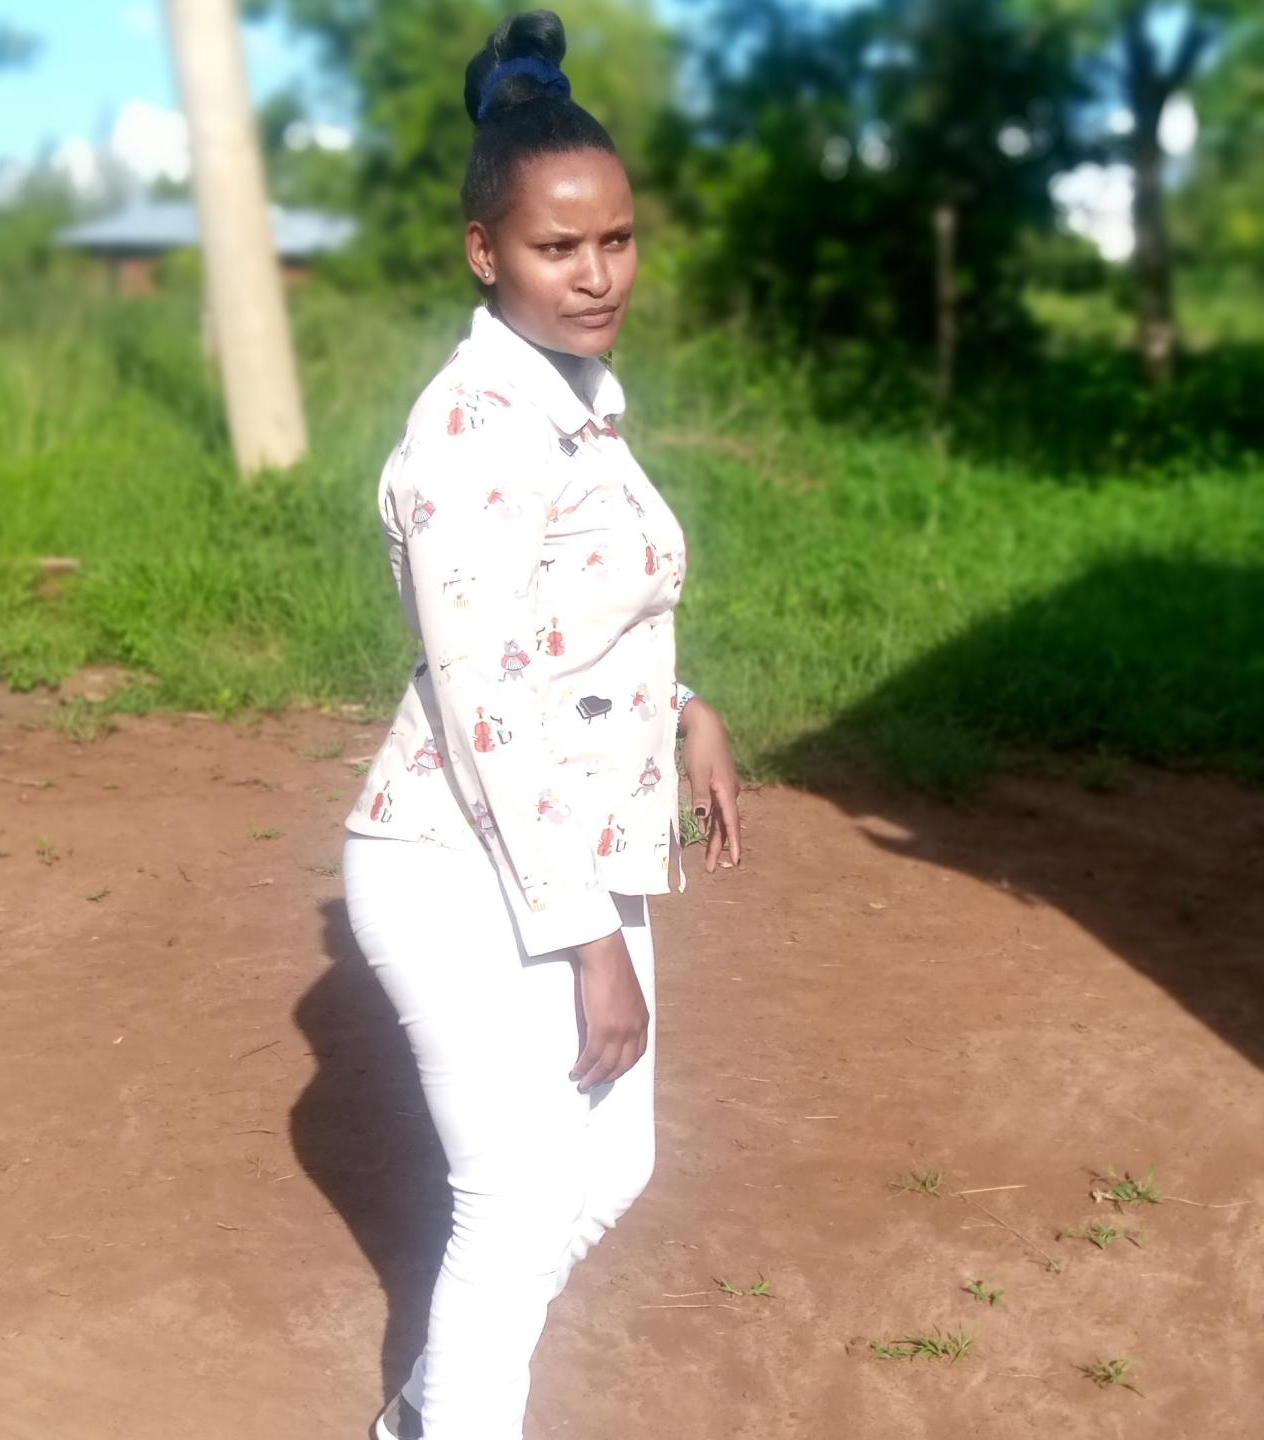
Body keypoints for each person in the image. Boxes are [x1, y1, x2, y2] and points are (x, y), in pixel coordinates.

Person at [341, 11, 741, 1438]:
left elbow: (560, 623)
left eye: (616, 240)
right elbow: (487, 703)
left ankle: (423, 1419)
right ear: (484, 252)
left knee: (608, 1173)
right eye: (557, 247)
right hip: (461, 861)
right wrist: (590, 946)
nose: (597, 274)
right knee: (513, 1203)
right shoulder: (470, 433)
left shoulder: (573, 397)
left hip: (569, 845)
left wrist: (681, 705)